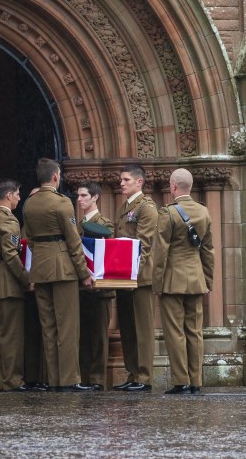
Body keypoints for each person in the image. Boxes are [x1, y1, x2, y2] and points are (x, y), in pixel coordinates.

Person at [22, 158, 95, 392]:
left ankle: (54, 380)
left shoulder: (29, 204)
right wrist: (84, 272)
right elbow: (73, 241)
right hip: (63, 268)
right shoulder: (62, 203)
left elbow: (30, 238)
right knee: (67, 327)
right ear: (55, 177)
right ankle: (69, 379)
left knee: (49, 327)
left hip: (41, 268)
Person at [152, 169, 215, 395]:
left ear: (172, 186)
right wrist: (207, 280)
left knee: (175, 331)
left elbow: (160, 253)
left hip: (172, 280)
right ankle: (196, 381)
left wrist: (156, 283)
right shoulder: (203, 212)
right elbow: (208, 250)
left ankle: (181, 381)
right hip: (196, 279)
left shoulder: (168, 213)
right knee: (194, 331)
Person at [0, 178, 32, 392]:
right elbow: (11, 254)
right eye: (18, 194)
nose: (19, 198)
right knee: (11, 337)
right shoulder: (9, 222)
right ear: (9, 195)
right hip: (7, 285)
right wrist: (26, 279)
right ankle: (12, 381)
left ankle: (3, 379)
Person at [113, 164, 158, 392]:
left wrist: (132, 274)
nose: (121, 183)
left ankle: (145, 376)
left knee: (142, 328)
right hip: (124, 277)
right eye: (121, 180)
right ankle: (133, 373)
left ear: (139, 182)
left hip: (139, 278)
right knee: (128, 328)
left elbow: (144, 245)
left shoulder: (146, 207)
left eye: (126, 180)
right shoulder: (126, 206)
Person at [76, 182, 115, 390]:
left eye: (84, 195)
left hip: (100, 288)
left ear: (95, 197)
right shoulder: (78, 224)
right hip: (81, 288)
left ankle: (97, 379)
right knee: (83, 335)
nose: (80, 199)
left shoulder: (104, 223)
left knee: (99, 335)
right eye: (79, 196)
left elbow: (106, 252)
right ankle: (84, 378)